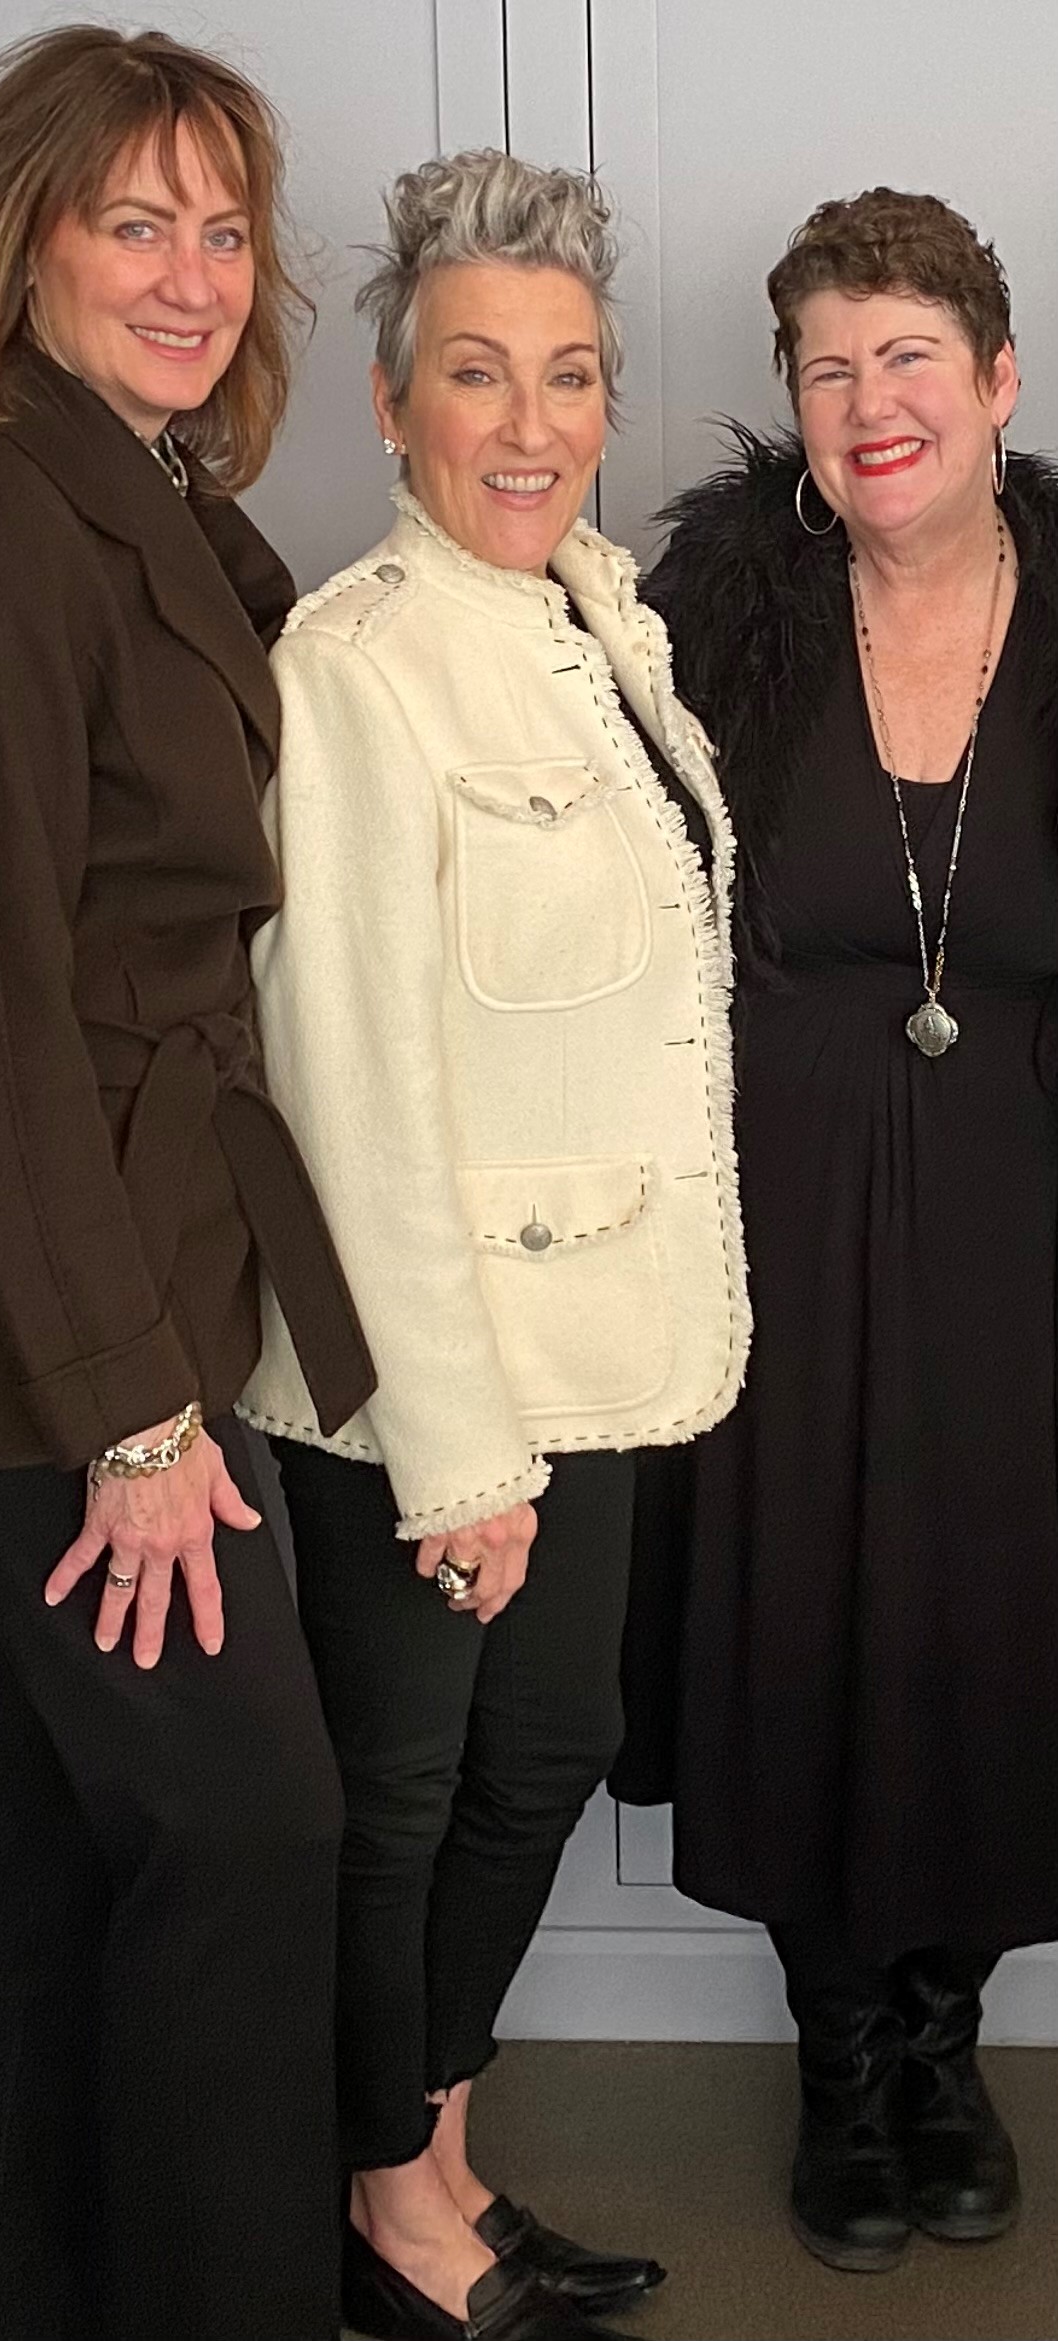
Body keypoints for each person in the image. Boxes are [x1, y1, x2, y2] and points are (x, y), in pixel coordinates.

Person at [0, 26, 375, 2340]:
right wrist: (132, 1414)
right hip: (34, 1315)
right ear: (20, 244)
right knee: (248, 1826)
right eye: (134, 223)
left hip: (143, 1252)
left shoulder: (131, 499)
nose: (191, 276)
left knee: (44, 1834)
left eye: (221, 231)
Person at [239, 149, 751, 2341]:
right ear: (390, 404)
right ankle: (390, 2213)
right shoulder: (352, 666)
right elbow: (346, 1088)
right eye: (476, 372)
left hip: (593, 1342)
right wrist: (453, 1457)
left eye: (569, 373)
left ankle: (427, 2163)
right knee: (402, 1796)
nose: (530, 423)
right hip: (420, 1385)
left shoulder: (600, 627)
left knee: (539, 1759)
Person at [613, 185, 1058, 2273]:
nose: (869, 402)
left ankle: (943, 2046)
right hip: (766, 1206)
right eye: (825, 366)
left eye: (907, 357)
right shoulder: (709, 621)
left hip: (1024, 1213)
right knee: (796, 1601)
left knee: (993, 1600)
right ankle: (834, 2051)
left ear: (995, 380)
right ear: (790, 404)